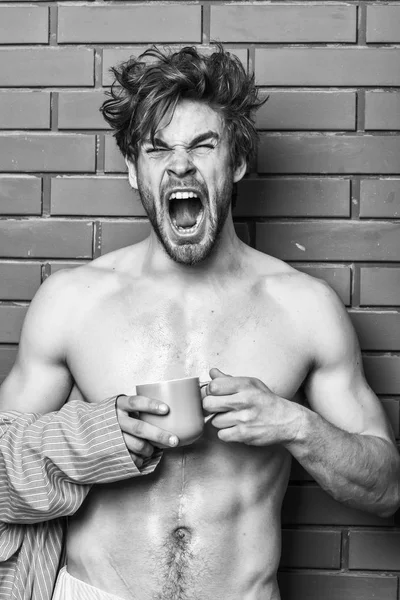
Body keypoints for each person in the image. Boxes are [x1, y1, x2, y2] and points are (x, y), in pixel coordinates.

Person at [0, 45, 399, 600]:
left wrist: (295, 426)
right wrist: (90, 437)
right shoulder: (72, 301)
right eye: (156, 149)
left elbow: (387, 488)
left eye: (202, 145)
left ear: (235, 162)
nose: (179, 165)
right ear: (133, 172)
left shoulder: (304, 308)